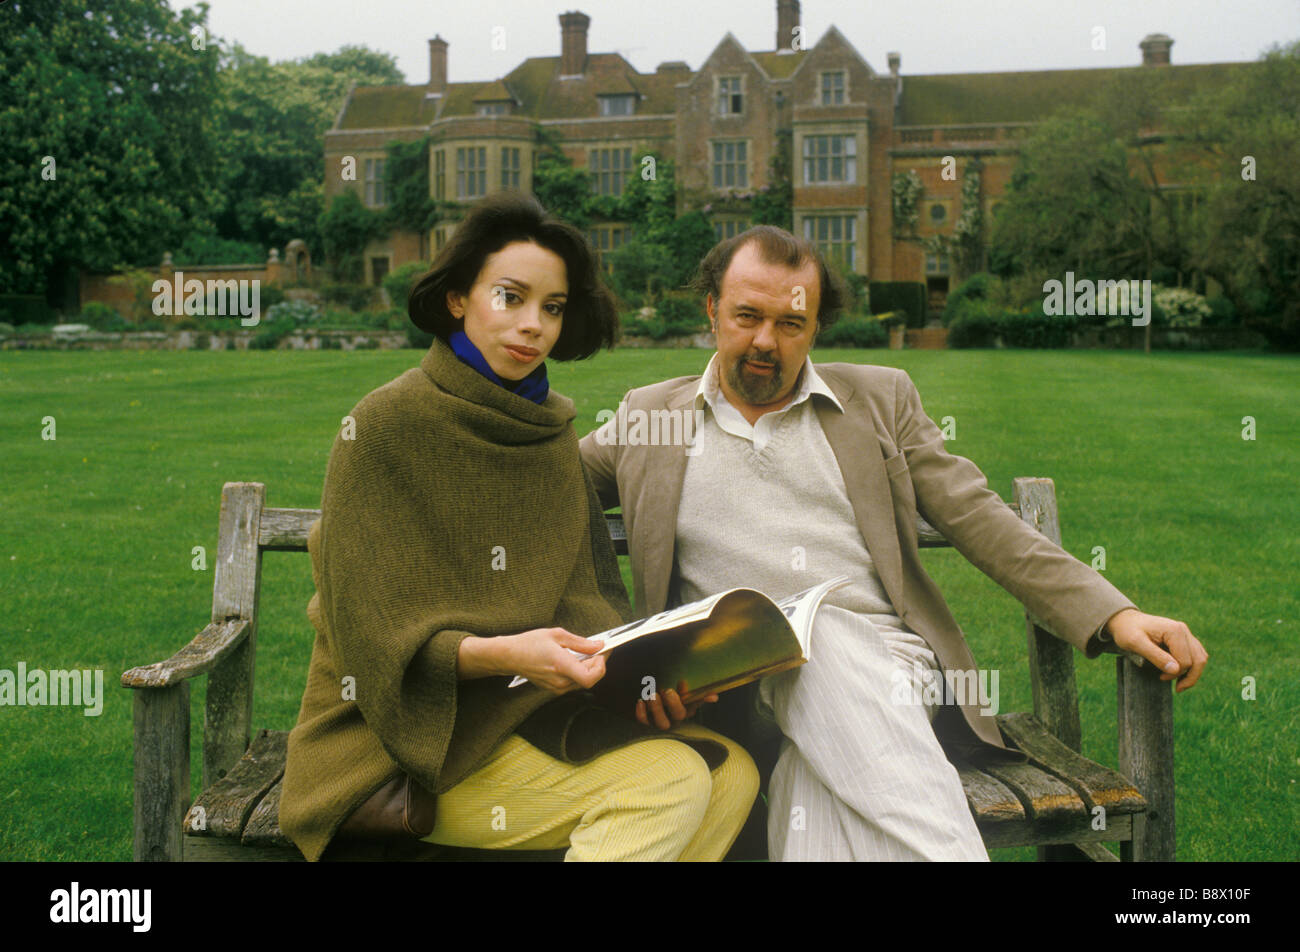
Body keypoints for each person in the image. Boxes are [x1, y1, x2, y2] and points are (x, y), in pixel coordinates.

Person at [579, 225, 1208, 861]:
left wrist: (1115, 615)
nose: (766, 342)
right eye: (747, 316)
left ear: (817, 326)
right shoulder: (647, 419)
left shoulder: (879, 400)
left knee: (818, 637)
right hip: (735, 696)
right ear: (712, 307)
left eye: (791, 324)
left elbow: (981, 518)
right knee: (812, 764)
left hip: (888, 674)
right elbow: (543, 493)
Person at [279, 192, 758, 863]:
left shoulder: (550, 436)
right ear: (457, 299)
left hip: (527, 719)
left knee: (730, 769)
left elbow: (591, 602)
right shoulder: (384, 426)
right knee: (667, 783)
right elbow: (370, 640)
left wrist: (642, 679)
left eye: (553, 307)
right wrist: (504, 654)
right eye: (510, 297)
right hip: (396, 748)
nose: (533, 324)